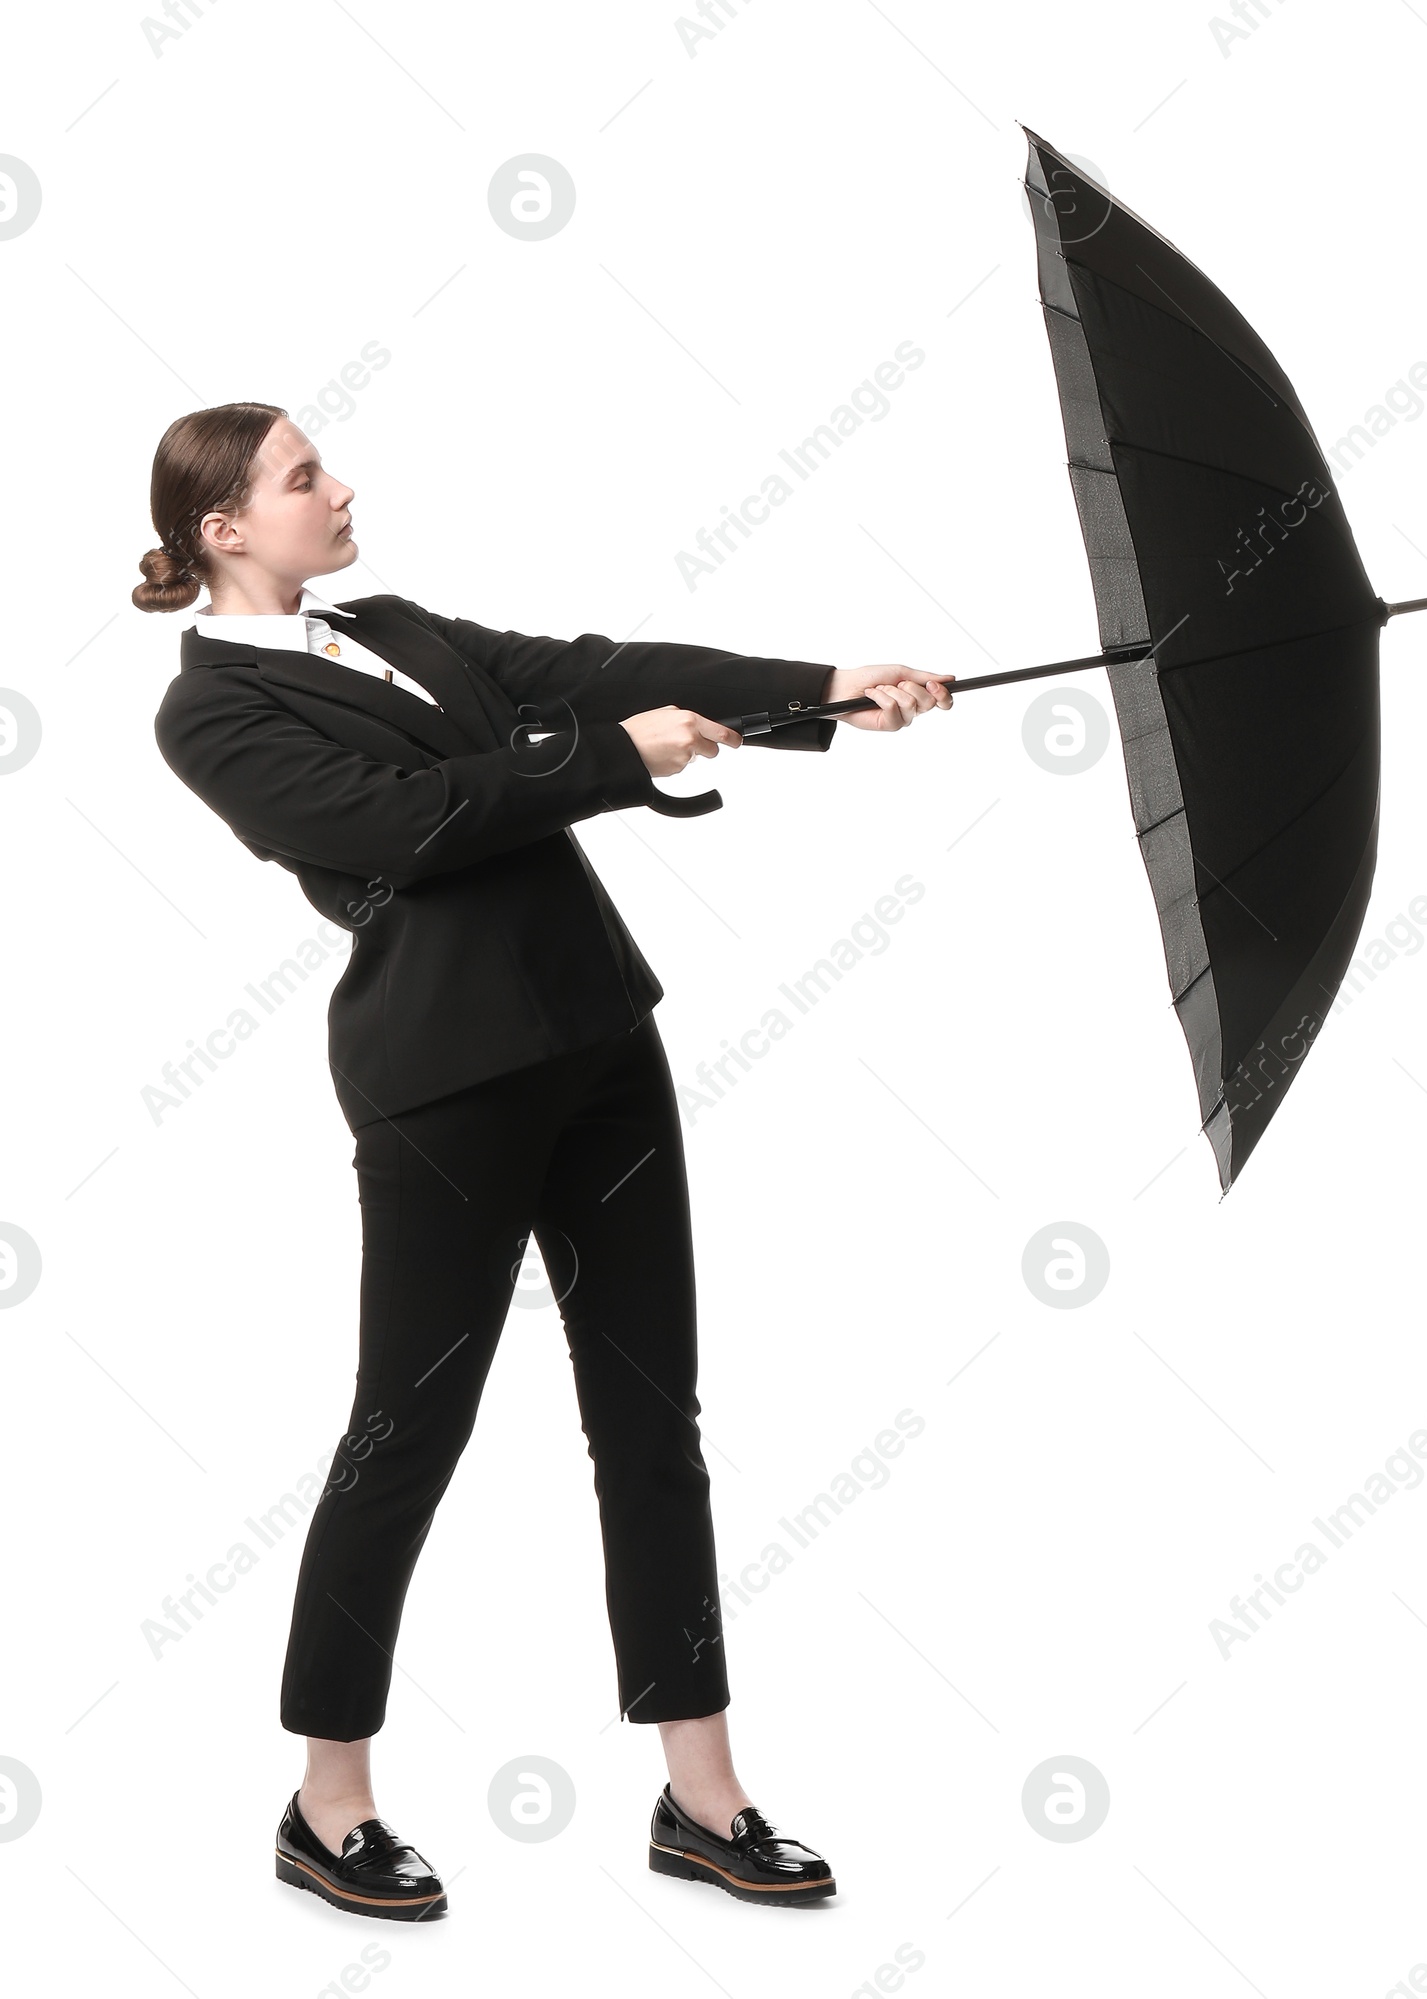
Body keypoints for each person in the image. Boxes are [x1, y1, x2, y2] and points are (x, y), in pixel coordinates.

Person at [136, 402, 953, 1921]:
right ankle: (329, 1803)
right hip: (445, 1085)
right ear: (223, 532)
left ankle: (702, 1795)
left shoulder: (387, 624)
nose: (342, 485)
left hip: (596, 1039)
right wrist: (604, 759)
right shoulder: (210, 714)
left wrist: (822, 692)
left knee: (655, 1419)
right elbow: (410, 824)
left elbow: (602, 673)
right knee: (410, 1431)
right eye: (305, 475)